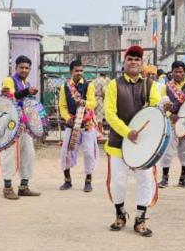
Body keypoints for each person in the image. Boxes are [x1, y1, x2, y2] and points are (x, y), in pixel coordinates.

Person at [104, 45, 160, 237]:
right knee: (118, 182)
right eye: (130, 59)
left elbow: (155, 111)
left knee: (145, 180)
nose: (134, 62)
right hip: (119, 142)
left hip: (143, 145)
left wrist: (164, 108)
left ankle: (141, 218)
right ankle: (120, 214)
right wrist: (127, 132)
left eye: (138, 59)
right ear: (124, 63)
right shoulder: (114, 85)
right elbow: (110, 114)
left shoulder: (151, 86)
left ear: (142, 64)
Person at [0, 55, 41, 199]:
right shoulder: (9, 80)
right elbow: (9, 97)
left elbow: (28, 104)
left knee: (28, 153)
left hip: (25, 124)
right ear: (15, 68)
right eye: (21, 67)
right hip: (10, 123)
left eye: (27, 68)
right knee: (8, 155)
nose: (24, 70)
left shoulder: (27, 83)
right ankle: (7, 188)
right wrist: (27, 92)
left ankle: (24, 186)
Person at [58, 60, 98, 192]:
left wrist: (84, 102)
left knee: (88, 152)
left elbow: (93, 103)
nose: (79, 73)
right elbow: (62, 106)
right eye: (77, 71)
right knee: (65, 152)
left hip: (87, 123)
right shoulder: (65, 87)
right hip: (72, 123)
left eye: (81, 70)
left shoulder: (89, 85)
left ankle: (88, 181)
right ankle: (67, 180)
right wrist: (67, 118)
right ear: (71, 72)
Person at [158, 61, 185, 189]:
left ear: (184, 72)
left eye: (181, 71)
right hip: (172, 121)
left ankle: (183, 179)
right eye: (176, 71)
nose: (178, 74)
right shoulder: (166, 87)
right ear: (171, 72)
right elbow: (162, 104)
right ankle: (164, 178)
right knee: (168, 150)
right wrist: (169, 115)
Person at [94, 72, 110, 137]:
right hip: (100, 99)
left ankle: (97, 131)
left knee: (95, 116)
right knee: (99, 117)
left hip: (94, 99)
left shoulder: (95, 80)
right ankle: (99, 132)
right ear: (105, 75)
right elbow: (104, 91)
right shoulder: (103, 81)